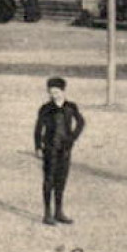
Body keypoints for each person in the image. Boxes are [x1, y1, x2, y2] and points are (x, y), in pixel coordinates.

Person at [34, 76, 85, 225]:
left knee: (61, 180)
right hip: (49, 148)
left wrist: (72, 138)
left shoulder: (71, 107)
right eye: (51, 92)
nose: (53, 95)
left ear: (63, 91)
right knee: (49, 179)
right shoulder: (46, 108)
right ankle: (47, 213)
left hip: (65, 149)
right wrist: (38, 146)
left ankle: (59, 212)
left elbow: (81, 122)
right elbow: (38, 128)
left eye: (56, 92)